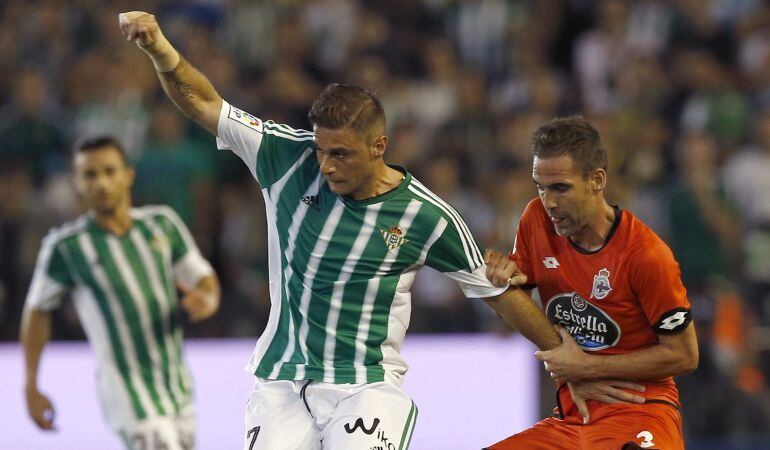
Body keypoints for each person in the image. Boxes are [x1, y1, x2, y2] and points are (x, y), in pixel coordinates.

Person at [118, 10, 573, 450]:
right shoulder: (286, 157)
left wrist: (570, 360)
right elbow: (203, 102)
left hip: (365, 387)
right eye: (322, 149)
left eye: (342, 154)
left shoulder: (425, 216)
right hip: (281, 380)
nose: (327, 165)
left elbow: (497, 296)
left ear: (379, 146)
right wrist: (159, 48)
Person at [483, 116, 699, 450]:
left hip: (641, 412)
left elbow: (685, 355)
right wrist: (498, 284)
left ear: (596, 180)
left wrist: (588, 367)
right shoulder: (535, 219)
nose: (549, 201)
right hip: (571, 418)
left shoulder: (646, 255)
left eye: (560, 188)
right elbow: (513, 308)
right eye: (540, 186)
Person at [21, 136, 221, 450]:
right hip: (127, 396)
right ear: (76, 183)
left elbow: (202, 276)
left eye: (109, 171)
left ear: (128, 175)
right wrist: (31, 384)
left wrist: (208, 299)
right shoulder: (66, 247)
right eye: (89, 175)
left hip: (178, 388)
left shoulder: (161, 225)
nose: (101, 182)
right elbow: (37, 310)